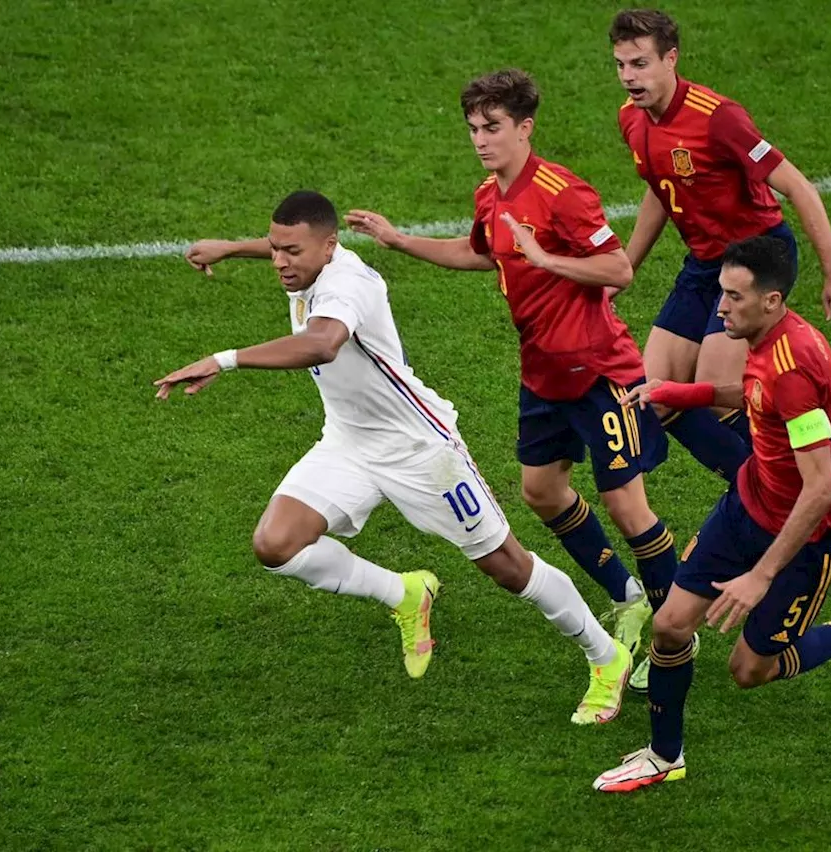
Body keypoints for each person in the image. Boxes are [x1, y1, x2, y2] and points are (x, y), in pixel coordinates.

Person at [165, 190, 633, 724]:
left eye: (290, 252)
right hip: (347, 441)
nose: (279, 262)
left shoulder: (349, 284)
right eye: (274, 249)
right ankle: (405, 592)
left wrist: (223, 361)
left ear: (330, 246)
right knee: (276, 545)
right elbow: (290, 245)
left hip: (420, 451)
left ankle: (606, 655)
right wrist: (230, 247)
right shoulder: (308, 260)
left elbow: (322, 344)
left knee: (508, 567)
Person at [345, 70, 678, 690]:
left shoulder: (562, 192)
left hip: (600, 373)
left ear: (525, 128)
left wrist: (547, 258)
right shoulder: (488, 195)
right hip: (544, 375)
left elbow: (618, 270)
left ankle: (670, 633)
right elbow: (480, 253)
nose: (480, 139)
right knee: (542, 492)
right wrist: (398, 240)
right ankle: (628, 596)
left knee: (627, 507)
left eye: (492, 127)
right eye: (473, 127)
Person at [591, 235, 831, 793]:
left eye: (734, 297)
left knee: (749, 670)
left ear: (772, 300)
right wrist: (684, 393)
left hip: (808, 540)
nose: (720, 307)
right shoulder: (769, 340)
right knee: (669, 625)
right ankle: (665, 755)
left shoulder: (794, 370)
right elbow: (755, 394)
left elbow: (821, 490)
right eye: (721, 293)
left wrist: (761, 577)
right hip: (746, 507)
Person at [610, 8, 831, 480]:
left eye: (640, 63)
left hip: (757, 256)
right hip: (705, 263)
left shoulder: (718, 118)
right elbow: (660, 188)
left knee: (714, 389)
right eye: (621, 64)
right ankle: (766, 487)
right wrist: (626, 268)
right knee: (654, 397)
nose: (628, 76)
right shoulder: (633, 119)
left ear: (671, 60)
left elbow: (797, 186)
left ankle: (785, 492)